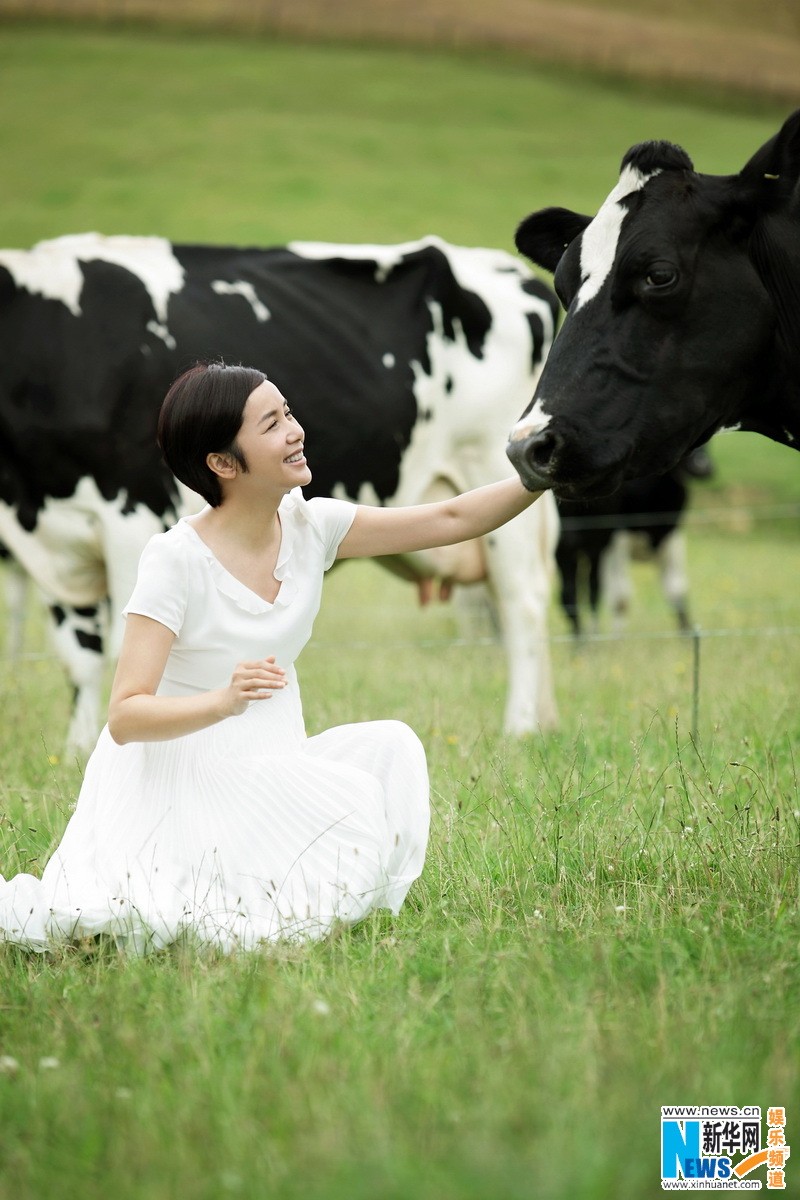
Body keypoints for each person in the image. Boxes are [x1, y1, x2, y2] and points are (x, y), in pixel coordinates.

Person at [0, 363, 543, 954]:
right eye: (272, 424)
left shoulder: (314, 525)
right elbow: (127, 715)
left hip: (268, 761)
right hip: (176, 783)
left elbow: (450, 518)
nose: (295, 431)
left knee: (391, 750)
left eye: (288, 413)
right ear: (224, 464)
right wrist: (222, 701)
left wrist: (544, 473)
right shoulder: (174, 561)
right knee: (186, 918)